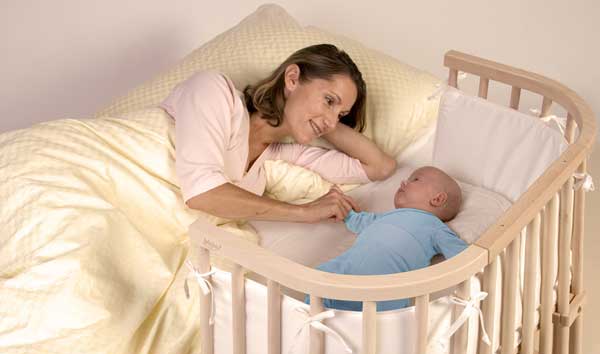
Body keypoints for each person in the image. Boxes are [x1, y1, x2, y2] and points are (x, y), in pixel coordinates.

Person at [160, 44, 396, 224]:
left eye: (341, 115)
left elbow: (381, 167)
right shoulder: (214, 91)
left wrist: (324, 118)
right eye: (329, 100)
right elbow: (202, 193)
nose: (332, 122)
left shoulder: (281, 155)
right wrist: (304, 212)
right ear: (292, 78)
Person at [308, 166, 468, 311]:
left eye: (415, 179)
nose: (403, 182)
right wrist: (345, 211)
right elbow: (359, 221)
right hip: (347, 271)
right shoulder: (386, 217)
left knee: (384, 315)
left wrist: (476, 261)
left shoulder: (435, 227)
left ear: (437, 199)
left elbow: (463, 257)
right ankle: (312, 316)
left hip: (386, 284)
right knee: (320, 281)